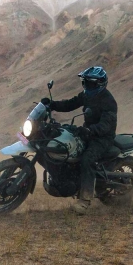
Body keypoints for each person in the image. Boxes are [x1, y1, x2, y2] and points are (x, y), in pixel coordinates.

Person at [43, 66, 117, 215]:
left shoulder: (108, 101)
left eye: (90, 83)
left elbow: (106, 125)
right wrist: (51, 105)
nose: (87, 86)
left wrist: (91, 130)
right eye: (85, 83)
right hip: (87, 133)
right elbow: (70, 104)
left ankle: (85, 200)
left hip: (102, 138)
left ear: (99, 84)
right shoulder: (86, 95)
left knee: (87, 159)